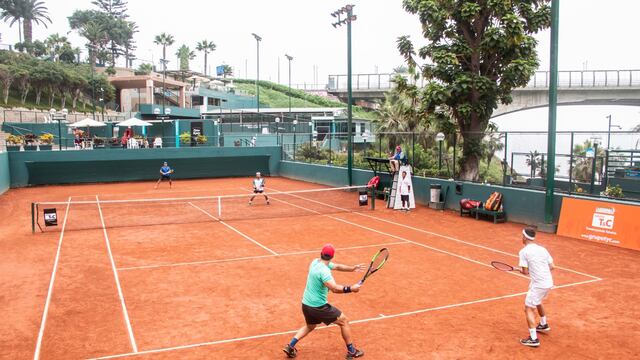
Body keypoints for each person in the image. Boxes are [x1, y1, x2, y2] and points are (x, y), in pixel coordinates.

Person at [283, 245, 366, 359]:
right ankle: (351, 351)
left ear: (321, 254)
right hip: (318, 307)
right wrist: (351, 288)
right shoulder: (324, 272)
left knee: (310, 326)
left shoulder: (315, 262)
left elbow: (336, 266)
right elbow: (335, 288)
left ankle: (290, 346)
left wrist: (352, 268)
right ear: (332, 256)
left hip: (306, 304)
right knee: (344, 321)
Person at [516, 228, 554, 347]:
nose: (521, 238)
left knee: (528, 308)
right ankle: (543, 324)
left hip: (539, 284)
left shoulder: (523, 252)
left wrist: (521, 270)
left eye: (522, 236)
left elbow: (525, 272)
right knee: (537, 302)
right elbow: (552, 266)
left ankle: (533, 339)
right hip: (548, 282)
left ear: (525, 237)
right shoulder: (543, 249)